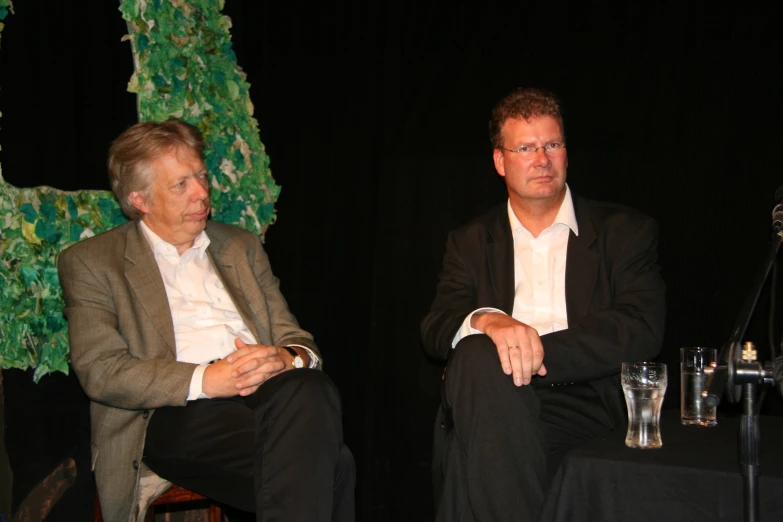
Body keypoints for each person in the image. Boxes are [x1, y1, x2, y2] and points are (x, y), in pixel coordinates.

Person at [58, 119, 355, 522]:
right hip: (174, 409)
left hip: (270, 394)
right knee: (334, 463)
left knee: (309, 385)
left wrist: (286, 358)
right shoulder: (93, 262)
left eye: (200, 176)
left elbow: (296, 337)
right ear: (140, 199)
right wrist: (206, 379)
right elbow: (102, 371)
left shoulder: (240, 246)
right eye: (180, 185)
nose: (201, 193)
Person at [421, 87, 666, 521]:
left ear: (567, 153)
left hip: (587, 400)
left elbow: (640, 327)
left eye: (552, 144)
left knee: (470, 445)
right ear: (500, 161)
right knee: (479, 352)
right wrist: (491, 322)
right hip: (492, 394)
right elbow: (437, 327)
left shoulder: (624, 231)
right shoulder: (470, 241)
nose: (542, 159)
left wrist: (528, 350)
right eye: (526, 147)